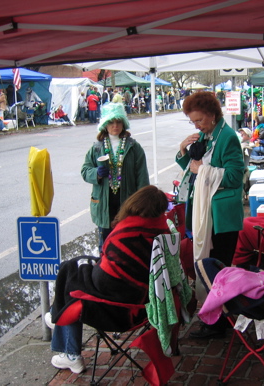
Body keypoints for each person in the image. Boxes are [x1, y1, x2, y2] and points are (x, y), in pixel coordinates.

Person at [45, 185, 171, 374]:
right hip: (147, 305)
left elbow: (103, 281)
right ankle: (58, 319)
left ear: (133, 204)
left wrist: (89, 271)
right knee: (74, 269)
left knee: (70, 277)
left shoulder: (125, 235)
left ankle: (70, 352)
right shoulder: (163, 233)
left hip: (122, 312)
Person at [175, 91, 245, 339]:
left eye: (200, 120)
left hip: (221, 216)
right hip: (206, 211)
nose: (197, 125)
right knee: (208, 266)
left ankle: (217, 323)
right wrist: (183, 151)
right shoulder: (207, 136)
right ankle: (217, 317)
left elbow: (236, 176)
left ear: (213, 115)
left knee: (215, 268)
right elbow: (194, 174)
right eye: (193, 122)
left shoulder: (227, 138)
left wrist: (204, 169)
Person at [81, 102, 149, 252]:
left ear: (124, 124)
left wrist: (142, 206)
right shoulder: (97, 147)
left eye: (119, 122)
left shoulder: (134, 147)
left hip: (127, 201)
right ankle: (104, 272)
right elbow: (85, 171)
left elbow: (142, 178)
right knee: (105, 244)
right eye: (111, 122)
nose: (115, 126)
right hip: (103, 203)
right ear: (105, 124)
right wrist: (96, 174)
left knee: (126, 243)